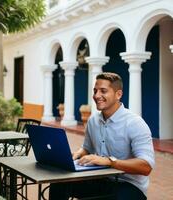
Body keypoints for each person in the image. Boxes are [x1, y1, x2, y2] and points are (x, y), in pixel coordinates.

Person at [49, 72, 155, 200]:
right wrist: (77, 154)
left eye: (103, 91)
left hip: (128, 185)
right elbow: (86, 148)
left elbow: (146, 166)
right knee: (58, 184)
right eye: (95, 91)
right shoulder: (93, 121)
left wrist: (109, 161)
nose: (96, 95)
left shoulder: (135, 123)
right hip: (98, 178)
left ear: (118, 94)